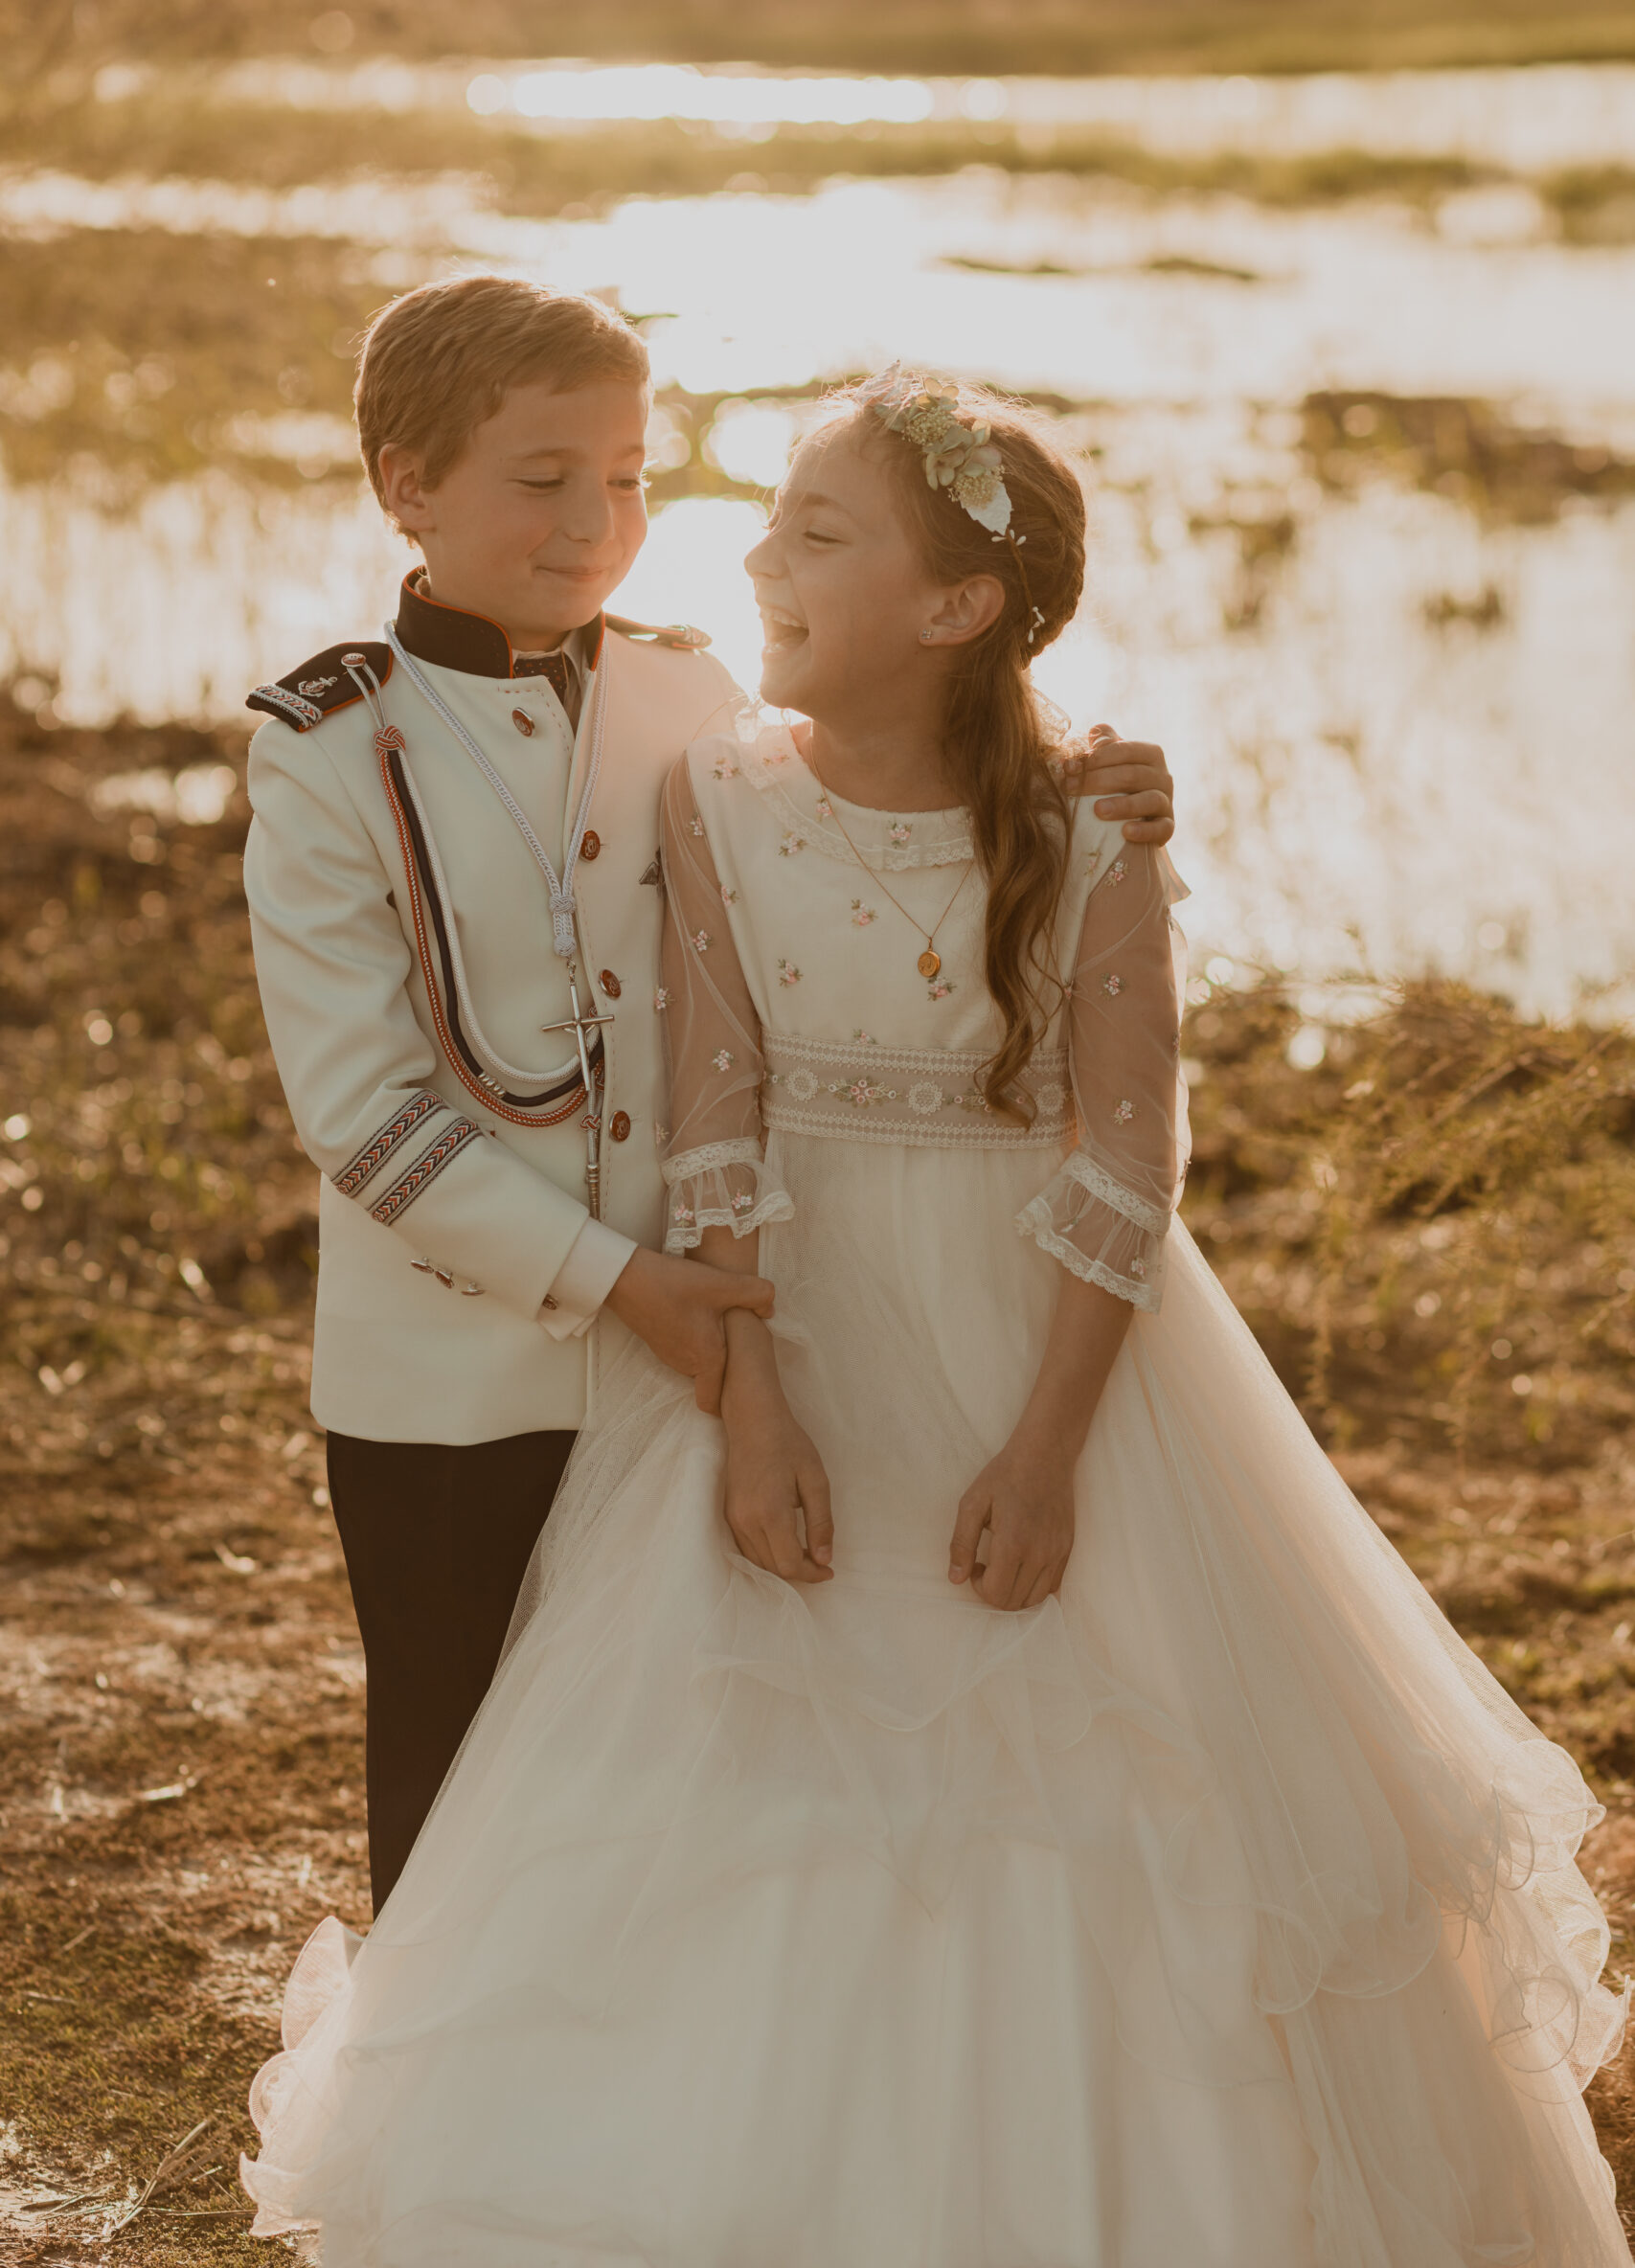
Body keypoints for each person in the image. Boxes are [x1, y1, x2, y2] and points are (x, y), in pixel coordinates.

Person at [241, 370, 1629, 2265]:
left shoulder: (1075, 827)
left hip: (1039, 1340)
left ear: (959, 603)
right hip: (777, 1328)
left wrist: (1048, 1444)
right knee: (712, 1748)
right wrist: (747, 1398)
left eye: (814, 528)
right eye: (764, 518)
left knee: (1104, 1771)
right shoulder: (693, 770)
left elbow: (1122, 1159)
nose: (744, 545)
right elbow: (713, 1111)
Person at [241, 282, 1178, 1916]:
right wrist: (625, 1284)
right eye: (543, 480)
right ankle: (435, 2154)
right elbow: (366, 1114)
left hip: (719, 1353)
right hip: (460, 1373)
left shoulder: (695, 701)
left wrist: (1101, 767)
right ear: (410, 486)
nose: (597, 522)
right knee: (456, 1783)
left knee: (684, 1791)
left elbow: (909, 780)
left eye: (628, 476)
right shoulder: (334, 751)